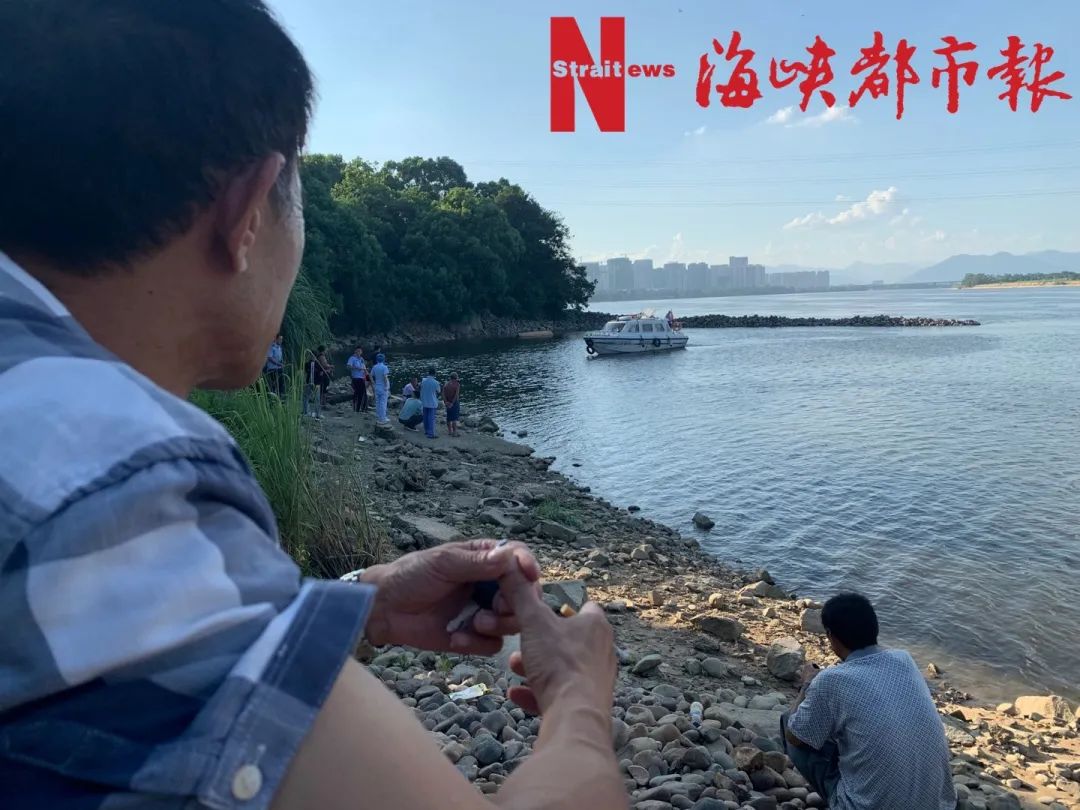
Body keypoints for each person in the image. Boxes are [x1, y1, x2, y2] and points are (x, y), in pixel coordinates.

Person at [0, 3, 627, 810]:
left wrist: (355, 607)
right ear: (248, 210)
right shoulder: (112, 477)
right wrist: (578, 698)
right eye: (301, 202)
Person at [782, 593, 956, 810]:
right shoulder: (904, 659)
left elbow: (795, 736)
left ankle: (842, 799)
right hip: (940, 804)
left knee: (790, 720)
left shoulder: (830, 680)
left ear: (831, 636)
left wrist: (807, 685)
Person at [305, 345, 333, 418]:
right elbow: (307, 372)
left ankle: (318, 414)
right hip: (309, 382)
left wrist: (324, 372)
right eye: (311, 356)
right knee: (306, 396)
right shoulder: (307, 364)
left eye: (313, 356)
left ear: (315, 356)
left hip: (317, 383)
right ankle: (305, 411)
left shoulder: (318, 364)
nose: (312, 357)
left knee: (317, 398)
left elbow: (322, 371)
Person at [419, 365, 441, 439]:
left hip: (424, 400)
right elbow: (439, 391)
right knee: (431, 418)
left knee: (425, 416)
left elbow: (420, 387)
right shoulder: (436, 382)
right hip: (432, 402)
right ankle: (431, 433)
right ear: (434, 373)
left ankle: (426, 430)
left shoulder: (423, 380)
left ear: (428, 373)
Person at [371, 352, 390, 424]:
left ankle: (379, 417)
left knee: (378, 402)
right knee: (383, 403)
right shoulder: (384, 367)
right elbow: (385, 377)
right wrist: (386, 386)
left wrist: (373, 382)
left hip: (377, 386)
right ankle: (382, 419)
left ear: (376, 360)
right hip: (383, 387)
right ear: (383, 360)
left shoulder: (374, 367)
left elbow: (370, 375)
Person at [346, 347, 368, 413]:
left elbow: (365, 369)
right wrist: (356, 368)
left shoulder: (361, 359)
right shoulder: (352, 358)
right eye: (357, 351)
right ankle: (356, 408)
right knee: (358, 393)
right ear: (355, 351)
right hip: (356, 378)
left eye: (360, 351)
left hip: (362, 378)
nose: (359, 352)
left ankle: (362, 408)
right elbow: (348, 367)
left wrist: (368, 379)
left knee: (364, 393)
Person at [443, 371, 462, 437]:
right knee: (454, 418)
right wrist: (452, 403)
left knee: (449, 417)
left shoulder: (446, 384)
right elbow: (456, 395)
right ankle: (454, 432)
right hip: (454, 403)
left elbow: (443, 394)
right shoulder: (457, 384)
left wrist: (445, 402)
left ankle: (449, 431)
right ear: (456, 377)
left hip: (447, 402)